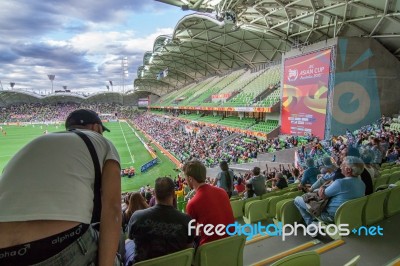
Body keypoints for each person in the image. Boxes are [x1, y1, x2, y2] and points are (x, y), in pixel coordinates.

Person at [0, 109, 122, 265]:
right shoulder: (103, 143)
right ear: (96, 128)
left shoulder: (33, 144)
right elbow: (113, 208)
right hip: (59, 245)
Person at [125, 177, 194, 265]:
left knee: (127, 243)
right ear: (173, 194)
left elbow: (130, 238)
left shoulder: (137, 216)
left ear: (154, 193)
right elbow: (188, 249)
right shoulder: (187, 220)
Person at [294, 156, 366, 226]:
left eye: (343, 164)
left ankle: (311, 225)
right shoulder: (362, 184)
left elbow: (321, 195)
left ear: (348, 170)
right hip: (349, 216)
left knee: (297, 200)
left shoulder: (340, 183)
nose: (340, 166)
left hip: (331, 216)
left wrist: (322, 186)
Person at [182, 160, 235, 247]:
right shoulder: (222, 192)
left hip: (209, 250)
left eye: (186, 177)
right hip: (232, 243)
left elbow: (191, 234)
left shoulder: (192, 204)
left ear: (190, 179)